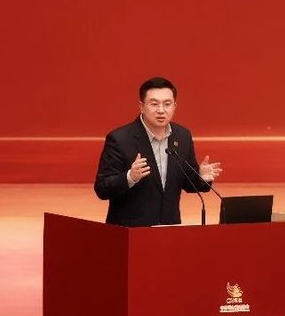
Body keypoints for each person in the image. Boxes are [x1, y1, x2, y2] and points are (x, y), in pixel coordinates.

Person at [94, 77, 222, 226]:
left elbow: (188, 183)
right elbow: (102, 189)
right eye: (154, 104)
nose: (161, 110)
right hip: (131, 231)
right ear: (141, 106)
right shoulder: (120, 139)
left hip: (169, 229)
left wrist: (201, 177)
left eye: (167, 104)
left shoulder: (182, 136)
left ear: (174, 106)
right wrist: (130, 177)